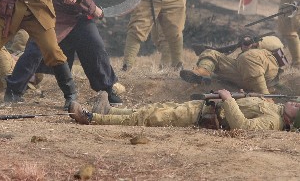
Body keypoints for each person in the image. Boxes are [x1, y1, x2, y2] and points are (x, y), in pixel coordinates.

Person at [69, 89, 300, 131]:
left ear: (293, 121)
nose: (296, 103)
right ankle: (110, 112)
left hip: (204, 116)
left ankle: (92, 118)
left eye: (298, 107)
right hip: (202, 107)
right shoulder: (276, 109)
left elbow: (244, 126)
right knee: (154, 109)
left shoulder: (274, 123)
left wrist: (229, 100)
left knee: (151, 118)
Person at [180, 36, 287, 94]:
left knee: (247, 56)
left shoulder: (267, 44)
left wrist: (257, 44)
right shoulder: (244, 55)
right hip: (244, 74)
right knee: (211, 53)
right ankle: (203, 73)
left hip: (265, 74)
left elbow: (277, 44)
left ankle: (264, 94)